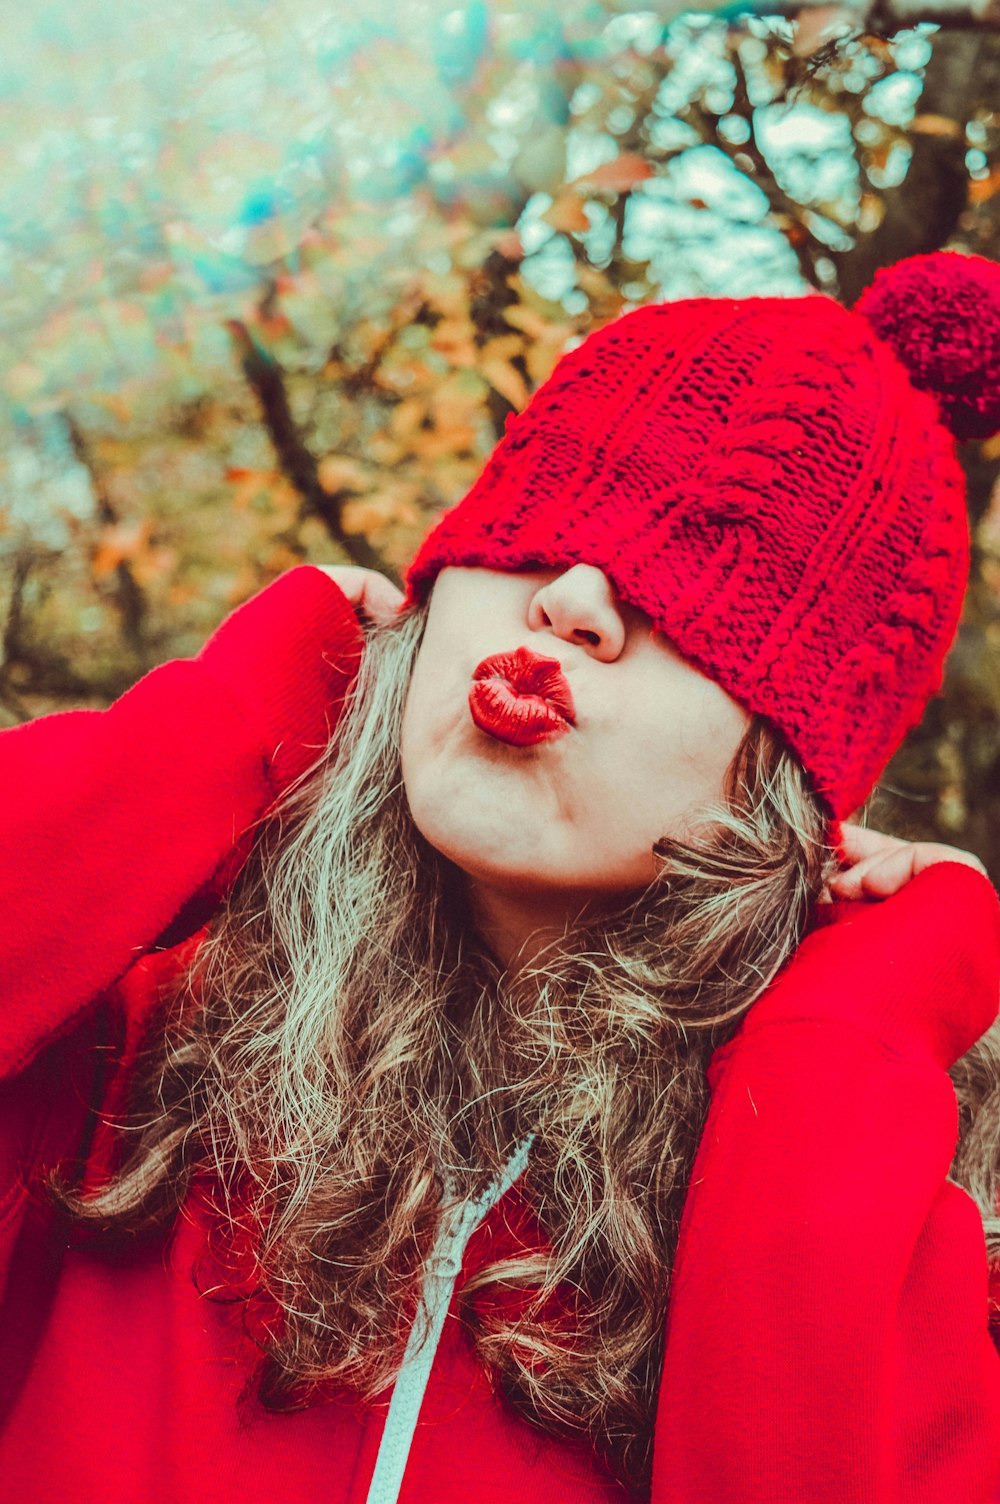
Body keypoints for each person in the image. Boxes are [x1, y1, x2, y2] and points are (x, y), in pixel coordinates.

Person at [2, 249, 1000, 1504]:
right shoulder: (124, 1061)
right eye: (542, 533)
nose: (572, 600)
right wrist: (214, 733)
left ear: (800, 778)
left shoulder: (901, 1220)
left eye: (700, 594)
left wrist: (828, 1072)